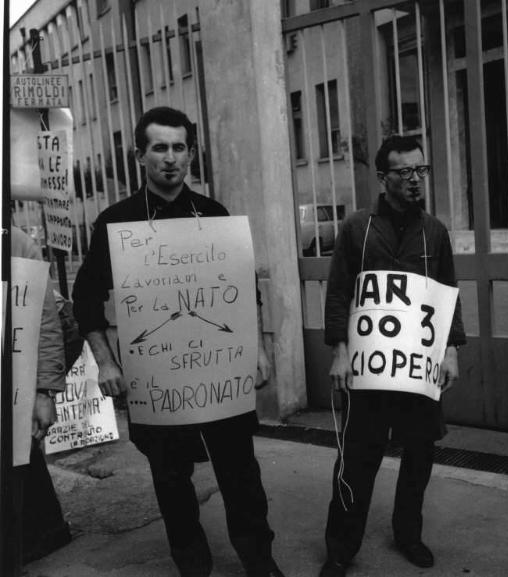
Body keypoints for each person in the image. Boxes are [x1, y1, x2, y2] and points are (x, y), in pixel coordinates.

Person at [72, 107, 284, 577]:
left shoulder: (213, 215)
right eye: (159, 148)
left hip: (217, 371)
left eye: (179, 147)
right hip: (156, 377)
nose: (170, 158)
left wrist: (257, 349)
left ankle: (259, 558)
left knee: (240, 473)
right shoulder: (116, 223)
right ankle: (192, 562)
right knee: (171, 479)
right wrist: (106, 363)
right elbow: (85, 301)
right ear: (140, 155)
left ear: (191, 153)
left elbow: (241, 290)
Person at [319, 135, 466, 577]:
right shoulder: (357, 228)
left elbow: (447, 295)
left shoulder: (434, 231)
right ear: (383, 178)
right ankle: (341, 549)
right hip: (369, 369)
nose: (415, 179)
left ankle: (409, 535)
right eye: (404, 172)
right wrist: (340, 351)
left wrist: (452, 351)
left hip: (418, 369)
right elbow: (340, 292)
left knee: (419, 455)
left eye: (421, 170)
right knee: (356, 458)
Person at [11, 226, 72, 563]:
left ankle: (42, 534)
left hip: (13, 387)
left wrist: (44, 392)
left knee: (20, 457)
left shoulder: (15, 241)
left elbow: (45, 324)